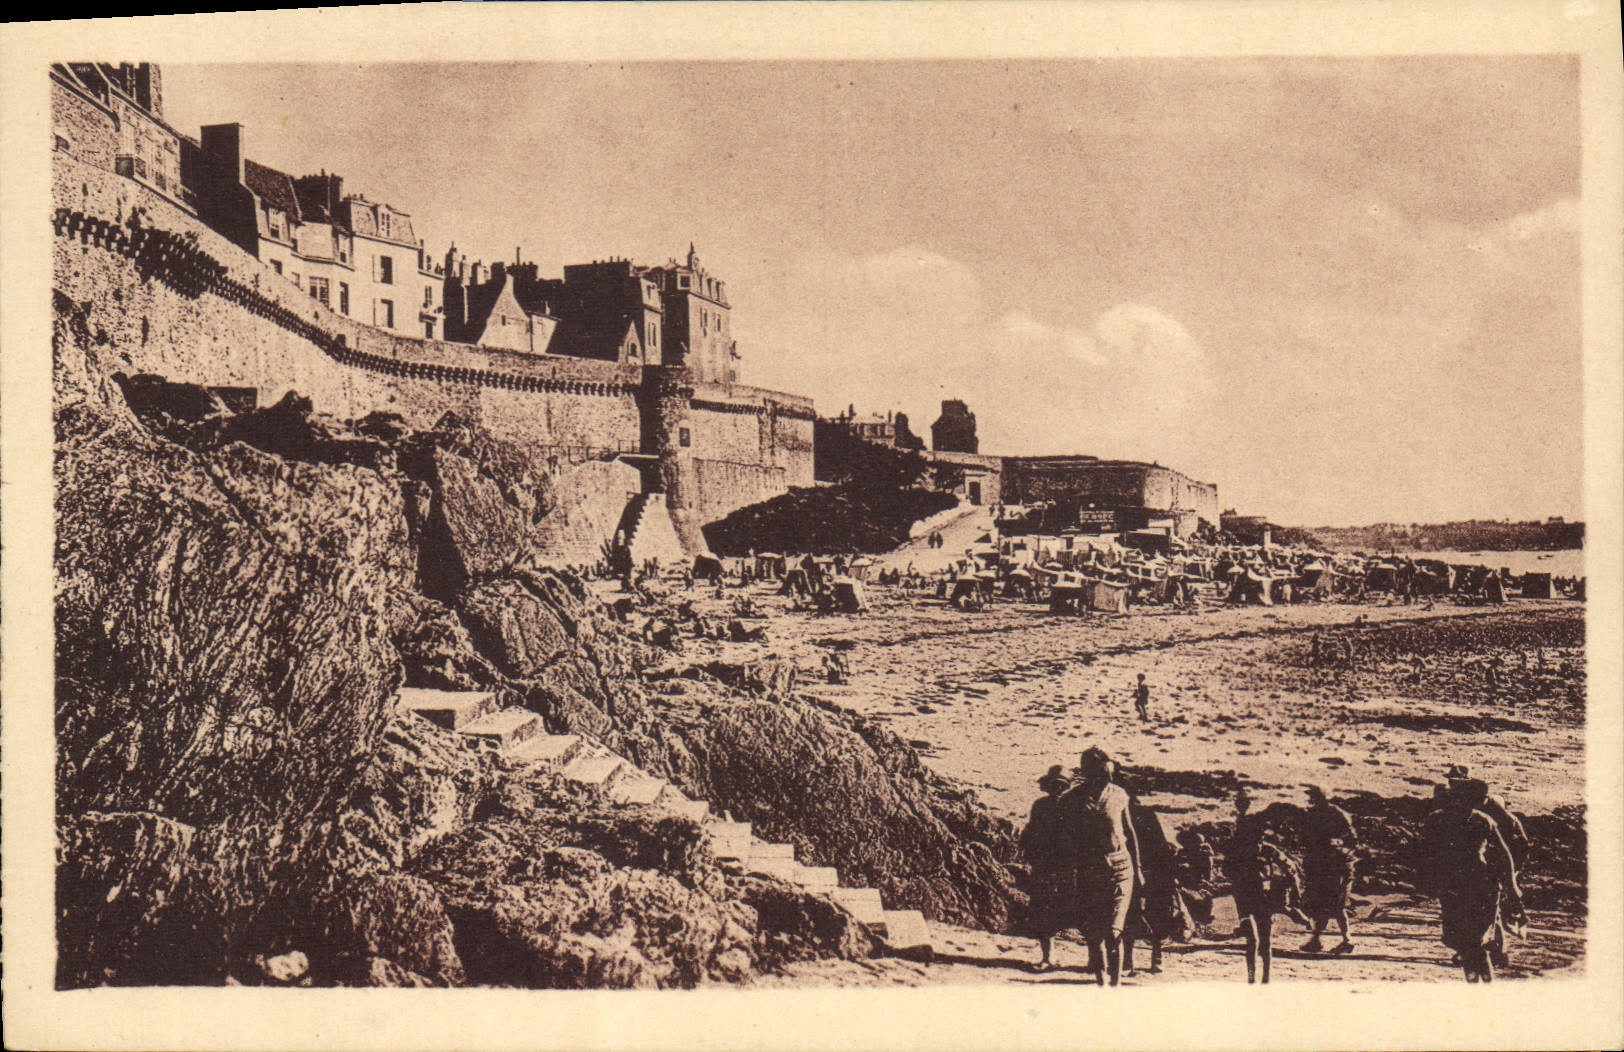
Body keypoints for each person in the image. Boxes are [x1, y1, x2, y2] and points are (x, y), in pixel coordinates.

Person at [1418, 776, 1522, 982]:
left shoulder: (1479, 820)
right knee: (1466, 943)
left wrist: (1512, 886)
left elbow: (1504, 855)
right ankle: (1478, 984)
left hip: (1475, 887)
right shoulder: (1444, 819)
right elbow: (1423, 852)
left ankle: (1481, 985)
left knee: (1473, 942)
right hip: (1458, 887)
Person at [1062, 747, 1141, 986]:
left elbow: (1129, 832)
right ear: (1089, 772)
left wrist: (1137, 869)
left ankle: (1114, 984)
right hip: (1090, 871)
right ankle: (1100, 982)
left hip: (1120, 869)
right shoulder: (1072, 799)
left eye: (1109, 770)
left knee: (1113, 931)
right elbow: (1065, 839)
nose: (1107, 774)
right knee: (1094, 934)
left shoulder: (1119, 795)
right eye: (1101, 770)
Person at [1445, 765, 1528, 967]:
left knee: (1489, 912)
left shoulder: (1493, 813)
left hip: (1492, 869)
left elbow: (1514, 845)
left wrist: (1512, 875)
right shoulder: (1460, 807)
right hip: (1474, 870)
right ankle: (1482, 950)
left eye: (1456, 782)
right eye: (1451, 782)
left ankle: (1492, 951)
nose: (1452, 786)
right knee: (1478, 912)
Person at [1224, 790, 1310, 984]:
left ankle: (1265, 980)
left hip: (1264, 899)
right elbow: (1226, 870)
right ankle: (1252, 979)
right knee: (1252, 940)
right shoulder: (1237, 853)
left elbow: (1291, 868)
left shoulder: (1268, 851)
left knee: (1265, 942)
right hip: (1245, 899)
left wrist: (1294, 891)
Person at [1019, 765, 1076, 973]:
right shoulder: (1041, 806)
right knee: (1044, 911)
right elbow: (1030, 833)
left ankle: (1091, 959)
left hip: (1068, 867)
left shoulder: (1075, 806)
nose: (1057, 789)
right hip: (1045, 866)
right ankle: (1048, 957)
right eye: (1054, 785)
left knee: (1077, 910)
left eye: (1061, 785)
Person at [1298, 785, 1358, 954]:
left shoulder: (1337, 814)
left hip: (1337, 867)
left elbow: (1352, 840)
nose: (1312, 800)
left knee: (1336, 905)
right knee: (1321, 904)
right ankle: (1317, 940)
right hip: (1320, 866)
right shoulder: (1312, 815)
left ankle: (1347, 940)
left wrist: (1338, 846)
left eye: (1315, 797)